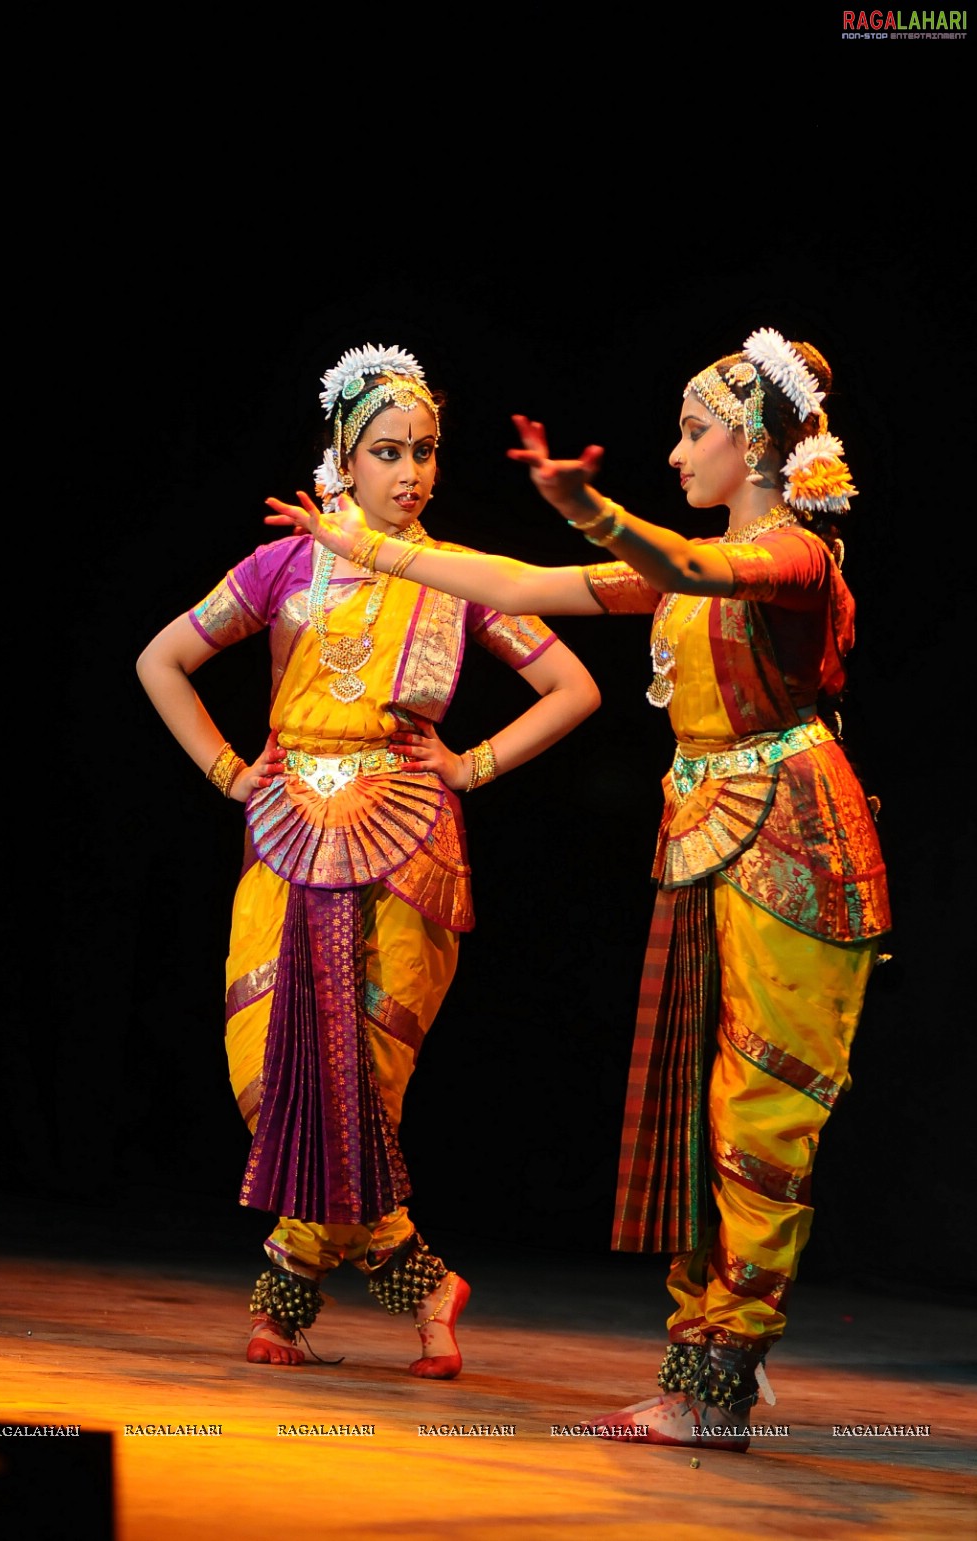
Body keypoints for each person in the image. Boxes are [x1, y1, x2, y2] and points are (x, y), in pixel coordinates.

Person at [270, 327, 891, 1444]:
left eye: (696, 432)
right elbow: (522, 583)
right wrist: (370, 546)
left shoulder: (794, 557)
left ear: (752, 448)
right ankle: (700, 1372)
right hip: (708, 832)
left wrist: (587, 505)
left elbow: (697, 567)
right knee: (700, 1116)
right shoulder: (686, 561)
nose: (677, 451)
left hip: (796, 839)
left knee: (762, 1112)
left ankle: (721, 1379)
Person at [136, 343, 600, 1378]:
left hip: (408, 844)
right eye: (387, 450)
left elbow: (574, 687)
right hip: (288, 832)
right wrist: (226, 768)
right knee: (268, 1066)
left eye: (425, 451)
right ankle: (421, 1280)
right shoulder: (284, 566)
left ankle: (292, 1290)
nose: (412, 472)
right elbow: (159, 658)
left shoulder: (454, 579)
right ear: (339, 461)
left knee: (362, 1084)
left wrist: (472, 764)